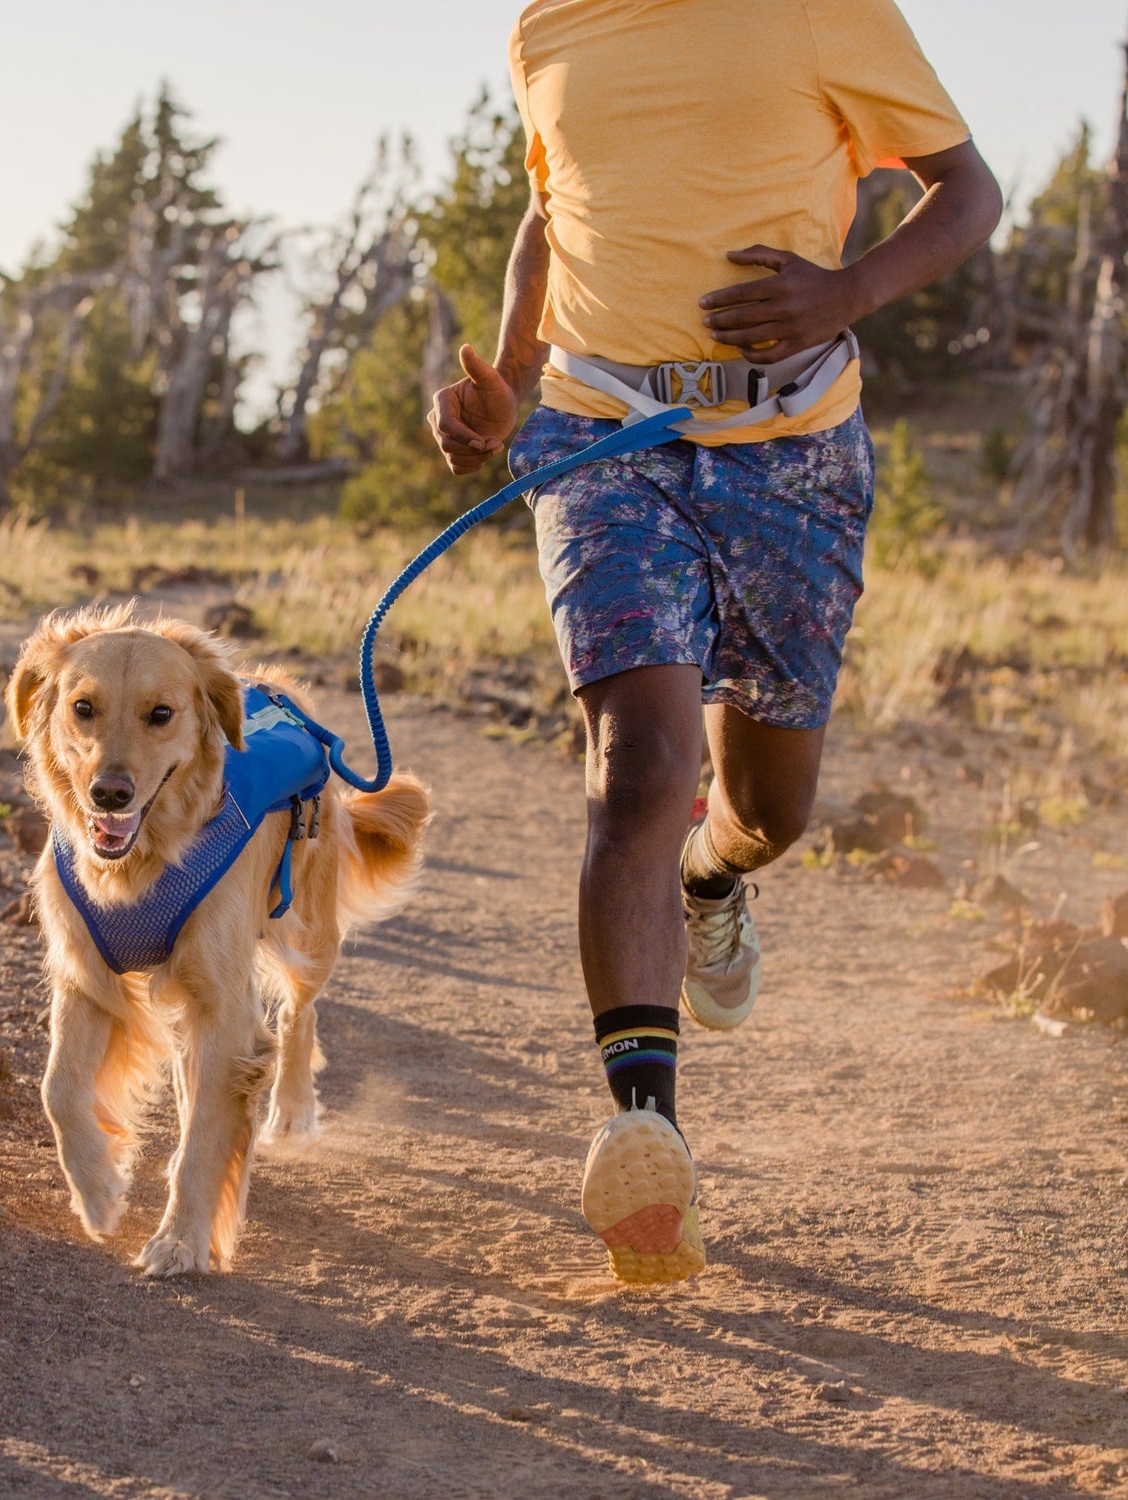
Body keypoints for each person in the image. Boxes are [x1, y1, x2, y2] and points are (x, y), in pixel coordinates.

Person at [428, 0, 1002, 1285]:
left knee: (769, 808)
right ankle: (649, 1144)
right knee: (637, 764)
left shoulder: (825, 11)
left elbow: (968, 193)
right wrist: (511, 379)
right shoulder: (550, 27)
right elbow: (548, 209)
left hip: (794, 450)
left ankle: (711, 881)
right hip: (601, 435)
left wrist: (849, 289)